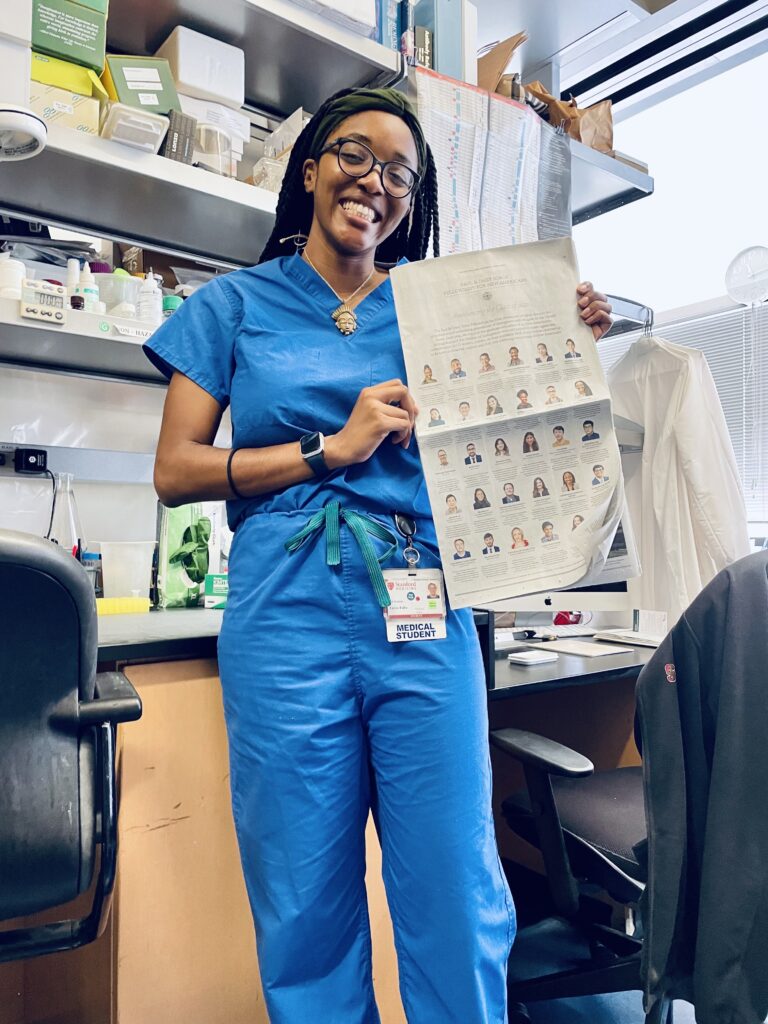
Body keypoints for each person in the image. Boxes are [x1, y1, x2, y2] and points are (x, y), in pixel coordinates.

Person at [145, 83, 613, 1023]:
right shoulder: (236, 305)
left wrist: (562, 334)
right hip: (284, 608)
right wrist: (331, 448)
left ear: (413, 200)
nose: (376, 181)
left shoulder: (439, 307)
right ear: (311, 167)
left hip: (424, 594)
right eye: (356, 154)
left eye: (401, 172)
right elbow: (175, 469)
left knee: (453, 877)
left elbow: (517, 412)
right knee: (304, 890)